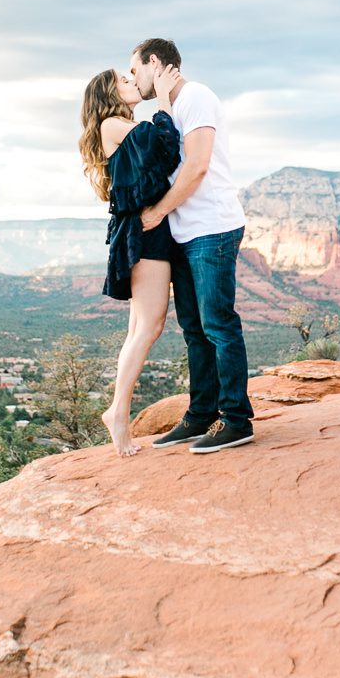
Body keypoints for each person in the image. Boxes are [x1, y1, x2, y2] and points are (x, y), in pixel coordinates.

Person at [129, 37, 254, 454]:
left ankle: (236, 419)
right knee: (194, 330)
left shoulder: (197, 96)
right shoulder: (169, 107)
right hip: (185, 232)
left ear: (153, 62)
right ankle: (201, 414)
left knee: (218, 324)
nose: (134, 79)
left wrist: (160, 211)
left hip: (212, 229)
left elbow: (198, 166)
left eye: (135, 71)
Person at [79, 65, 182, 456]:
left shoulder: (120, 127)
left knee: (140, 327)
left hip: (146, 228)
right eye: (122, 81)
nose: (130, 83)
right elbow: (166, 145)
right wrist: (165, 96)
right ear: (108, 95)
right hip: (145, 232)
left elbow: (157, 161)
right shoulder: (111, 124)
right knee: (149, 326)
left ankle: (117, 410)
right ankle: (118, 413)